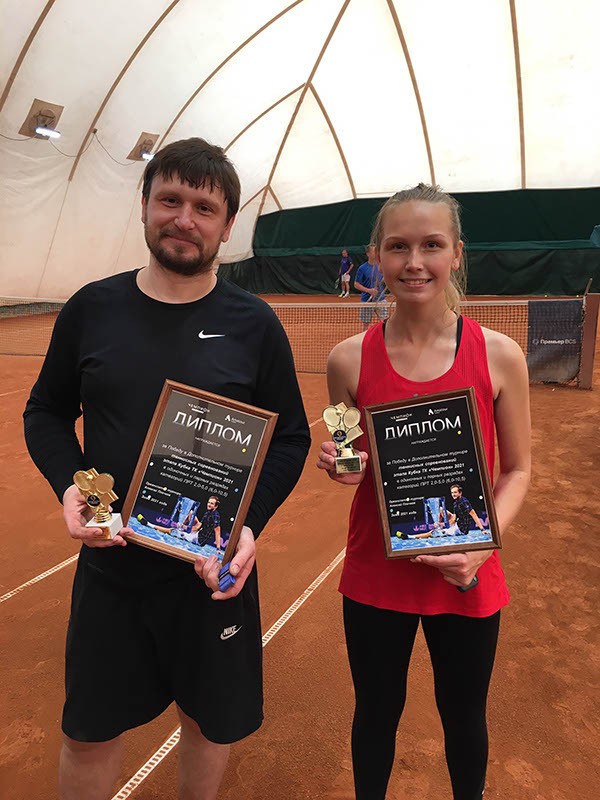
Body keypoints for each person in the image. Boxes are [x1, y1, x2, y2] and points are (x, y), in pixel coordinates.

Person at [23, 136, 311, 800]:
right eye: (170, 200)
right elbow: (45, 411)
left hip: (210, 578)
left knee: (207, 727)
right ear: (145, 204)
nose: (185, 219)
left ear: (228, 226)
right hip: (112, 573)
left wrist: (246, 524)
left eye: (204, 208)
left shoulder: (255, 325)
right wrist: (70, 485)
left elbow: (291, 438)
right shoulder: (91, 308)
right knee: (88, 734)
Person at [317, 183, 530, 800]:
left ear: (456, 253)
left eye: (432, 245)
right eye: (398, 246)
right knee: (375, 715)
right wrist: (341, 465)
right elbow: (352, 459)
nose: (415, 262)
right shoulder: (347, 360)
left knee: (464, 718)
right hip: (376, 574)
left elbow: (518, 471)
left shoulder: (500, 355)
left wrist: (482, 546)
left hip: (467, 572)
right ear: (376, 257)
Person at [353, 245, 388, 329]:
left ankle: (383, 337)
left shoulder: (382, 266)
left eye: (377, 251)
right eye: (373, 251)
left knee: (384, 323)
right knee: (366, 324)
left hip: (381, 300)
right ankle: (365, 337)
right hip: (367, 301)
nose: (376, 253)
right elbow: (356, 284)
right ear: (368, 254)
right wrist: (369, 290)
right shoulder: (362, 268)